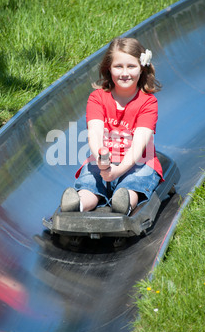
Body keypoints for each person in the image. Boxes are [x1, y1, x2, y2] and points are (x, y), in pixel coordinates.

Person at [61, 37, 163, 215]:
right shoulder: (98, 98)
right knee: (90, 184)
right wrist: (102, 160)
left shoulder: (148, 103)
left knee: (133, 184)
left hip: (138, 162)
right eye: (118, 66)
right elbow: (95, 134)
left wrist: (118, 171)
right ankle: (78, 204)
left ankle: (123, 203)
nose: (125, 73)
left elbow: (139, 145)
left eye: (131, 66)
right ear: (109, 68)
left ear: (142, 68)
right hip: (103, 160)